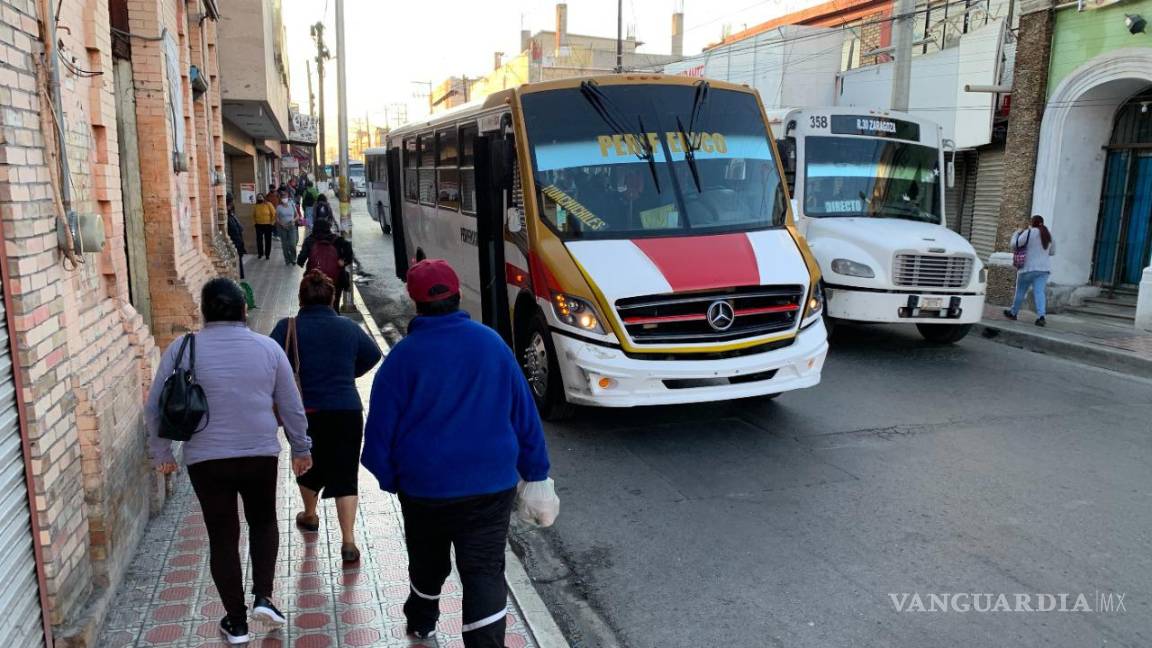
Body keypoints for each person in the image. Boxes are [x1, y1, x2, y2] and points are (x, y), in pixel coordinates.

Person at [361, 259, 556, 648]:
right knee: (484, 570)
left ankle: (422, 619)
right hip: (489, 487)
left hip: (424, 491)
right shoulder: (492, 345)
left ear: (415, 301)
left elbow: (377, 437)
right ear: (456, 295)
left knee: (428, 561)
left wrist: (395, 479)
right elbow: (524, 416)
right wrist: (537, 473)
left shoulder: (401, 359)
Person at [146, 279, 313, 645]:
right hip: (259, 454)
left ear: (204, 313)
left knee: (222, 536)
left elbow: (156, 406)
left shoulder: (181, 348)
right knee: (264, 520)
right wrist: (301, 449)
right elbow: (291, 405)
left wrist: (161, 454)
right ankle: (264, 597)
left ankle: (236, 623)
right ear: (242, 310)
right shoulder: (268, 348)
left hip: (207, 459)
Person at [270, 270, 382, 562]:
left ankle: (310, 514)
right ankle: (348, 541)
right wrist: (347, 374)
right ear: (332, 298)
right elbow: (373, 355)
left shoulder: (287, 327)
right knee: (346, 473)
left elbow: (270, 362)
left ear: (301, 299)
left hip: (304, 410)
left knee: (307, 463)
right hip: (347, 410)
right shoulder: (348, 327)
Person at [1004, 215, 1056, 327]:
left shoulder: (1028, 233)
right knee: (1039, 292)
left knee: (1021, 291)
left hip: (1027, 269)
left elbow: (1015, 245)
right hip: (1043, 269)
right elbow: (1052, 252)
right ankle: (1041, 316)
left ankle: (1013, 313)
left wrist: (1016, 233)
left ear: (1032, 223)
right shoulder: (1049, 234)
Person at [297, 218, 354, 308]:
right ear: (328, 228)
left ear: (314, 228)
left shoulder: (309, 240)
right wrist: (344, 261)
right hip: (335, 281)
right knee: (335, 307)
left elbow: (300, 261)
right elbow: (349, 251)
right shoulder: (337, 240)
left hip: (314, 281)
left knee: (312, 306)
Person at [275, 190, 300, 265]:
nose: (284, 198)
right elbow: (276, 218)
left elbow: (297, 216)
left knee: (292, 244)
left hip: (291, 226)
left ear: (288, 197)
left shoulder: (292, 205)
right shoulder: (279, 207)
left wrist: (293, 220)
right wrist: (281, 224)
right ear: (280, 198)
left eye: (285, 197)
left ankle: (293, 258)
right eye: (282, 197)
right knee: (285, 245)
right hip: (283, 227)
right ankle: (287, 259)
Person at [225, 194, 246, 278]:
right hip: (234, 243)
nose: (232, 205)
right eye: (230, 203)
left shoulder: (231, 215)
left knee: (239, 262)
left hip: (238, 243)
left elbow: (240, 228)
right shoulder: (227, 216)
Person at [251, 193, 276, 260]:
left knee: (268, 240)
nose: (259, 198)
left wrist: (272, 223)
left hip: (268, 225)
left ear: (263, 197)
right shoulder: (256, 206)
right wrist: (255, 223)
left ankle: (267, 254)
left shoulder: (268, 204)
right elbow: (253, 215)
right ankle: (260, 253)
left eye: (261, 197)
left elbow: (274, 214)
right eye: (258, 197)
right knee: (259, 240)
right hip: (258, 225)